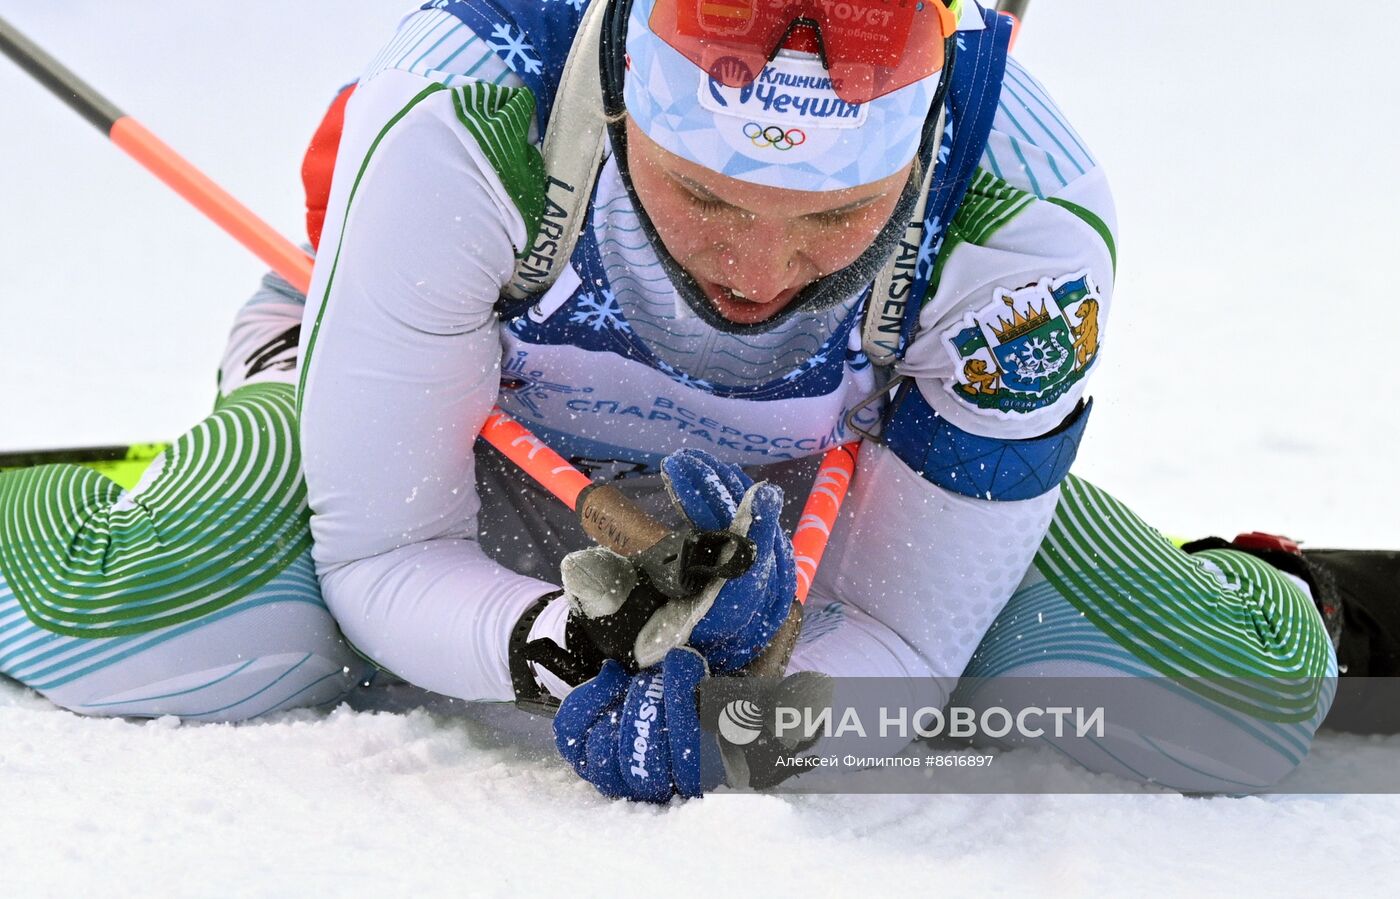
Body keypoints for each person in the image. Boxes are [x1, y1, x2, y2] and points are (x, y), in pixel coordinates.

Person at [0, 0, 1376, 798]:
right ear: (625, 104)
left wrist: (779, 706)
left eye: (837, 215)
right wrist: (556, 643)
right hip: (462, 430)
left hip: (813, 502)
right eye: (705, 196)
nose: (759, 272)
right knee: (165, 632)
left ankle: (1284, 594)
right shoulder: (474, 105)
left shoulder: (1026, 222)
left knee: (1233, 713)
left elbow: (900, 633)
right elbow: (390, 553)